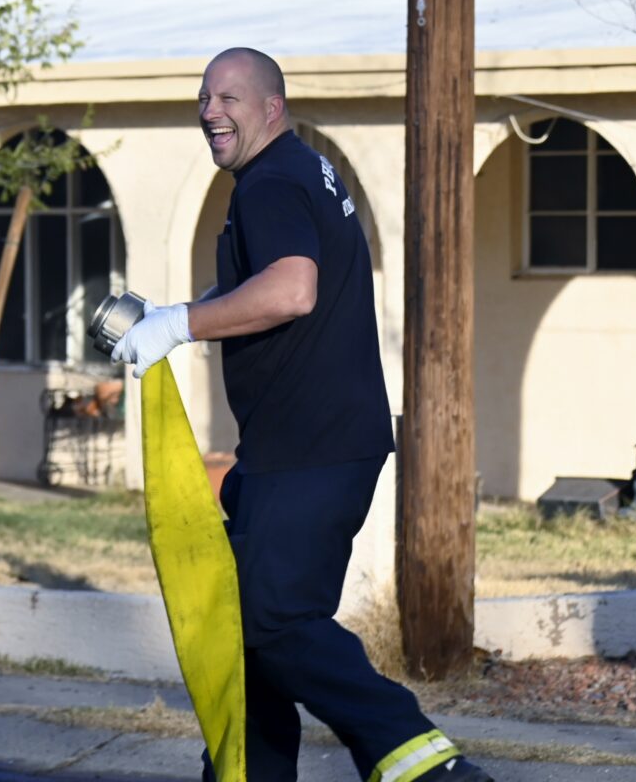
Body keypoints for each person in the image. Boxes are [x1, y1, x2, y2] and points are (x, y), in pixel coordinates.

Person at [112, 47, 492, 782]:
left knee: (275, 620)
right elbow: (271, 288)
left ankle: (425, 765)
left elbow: (291, 291)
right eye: (203, 98)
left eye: (228, 97)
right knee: (247, 627)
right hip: (305, 444)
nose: (209, 111)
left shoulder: (271, 182)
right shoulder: (301, 169)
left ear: (271, 107)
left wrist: (180, 325)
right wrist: (171, 315)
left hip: (310, 447)